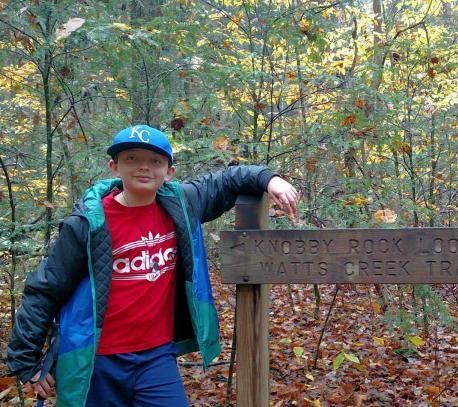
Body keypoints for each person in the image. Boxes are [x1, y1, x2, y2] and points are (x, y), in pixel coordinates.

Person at [7, 125, 300, 406]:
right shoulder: (87, 223)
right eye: (131, 158)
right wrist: (26, 361)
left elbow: (228, 180)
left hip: (156, 357)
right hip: (96, 360)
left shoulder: (182, 204)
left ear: (168, 172)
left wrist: (270, 180)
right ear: (114, 167)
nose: (143, 167)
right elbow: (45, 289)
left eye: (154, 160)